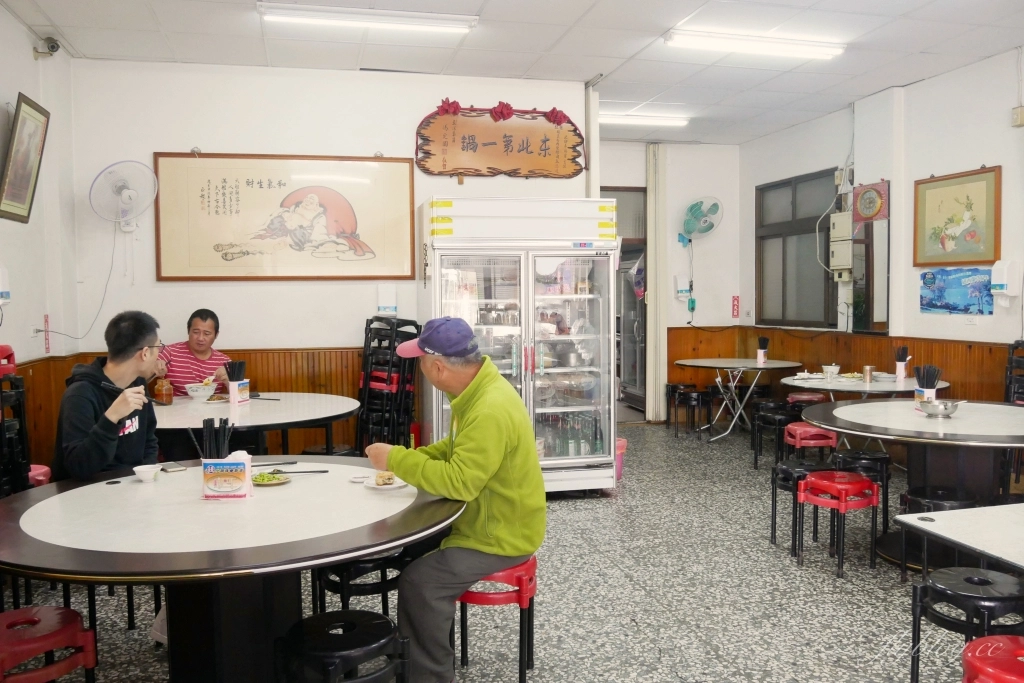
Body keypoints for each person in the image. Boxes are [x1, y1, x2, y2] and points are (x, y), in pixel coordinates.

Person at [365, 317, 546, 683]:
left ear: (437, 366)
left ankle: (430, 676)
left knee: (421, 583)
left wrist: (395, 459)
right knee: (406, 545)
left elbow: (460, 482)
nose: (421, 369)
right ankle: (411, 652)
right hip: (485, 519)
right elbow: (455, 451)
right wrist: (411, 456)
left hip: (501, 535)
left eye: (420, 361)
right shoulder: (478, 389)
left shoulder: (489, 409)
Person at [52, 311, 162, 481]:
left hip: (133, 487)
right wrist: (112, 418)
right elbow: (78, 466)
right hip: (86, 494)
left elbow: (149, 441)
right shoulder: (79, 394)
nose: (159, 356)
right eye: (158, 348)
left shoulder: (138, 383)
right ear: (145, 353)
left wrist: (147, 476)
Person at [155, 309, 230, 396]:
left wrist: (229, 381)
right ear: (188, 330)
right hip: (177, 408)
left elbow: (239, 395)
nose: (200, 338)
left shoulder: (224, 361)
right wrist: (154, 365)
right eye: (196, 332)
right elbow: (145, 368)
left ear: (216, 335)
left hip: (212, 408)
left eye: (207, 333)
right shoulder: (169, 352)